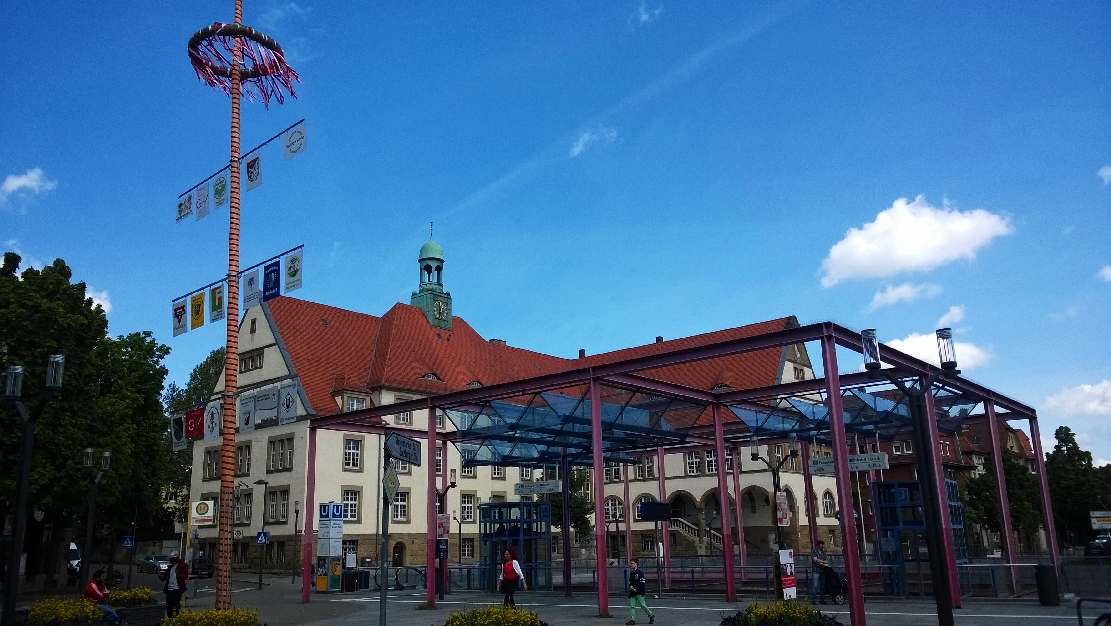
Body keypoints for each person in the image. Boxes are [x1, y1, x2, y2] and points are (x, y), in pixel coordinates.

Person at [160, 550, 189, 617]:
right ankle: (170, 618)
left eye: (172, 559)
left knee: (176, 604)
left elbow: (185, 576)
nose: (171, 561)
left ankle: (176, 617)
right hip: (169, 589)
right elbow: (164, 578)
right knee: (168, 605)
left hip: (177, 589)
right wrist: (159, 575)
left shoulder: (182, 565)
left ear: (176, 558)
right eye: (170, 559)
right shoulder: (170, 567)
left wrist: (178, 574)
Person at [627, 558, 654, 625]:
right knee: (632, 605)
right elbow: (630, 581)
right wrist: (630, 586)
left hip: (639, 592)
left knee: (642, 605)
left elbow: (642, 583)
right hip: (633, 592)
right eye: (630, 563)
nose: (630, 565)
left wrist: (637, 589)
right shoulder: (632, 573)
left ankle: (650, 615)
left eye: (632, 563)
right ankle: (632, 619)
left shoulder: (639, 573)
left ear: (636, 564)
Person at [811, 540, 829, 605]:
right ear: (818, 545)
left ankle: (822, 599)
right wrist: (822, 562)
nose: (822, 546)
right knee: (815, 585)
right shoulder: (814, 552)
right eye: (821, 545)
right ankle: (813, 599)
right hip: (816, 571)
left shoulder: (824, 553)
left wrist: (821, 562)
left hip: (822, 571)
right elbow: (815, 560)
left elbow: (826, 561)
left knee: (822, 586)